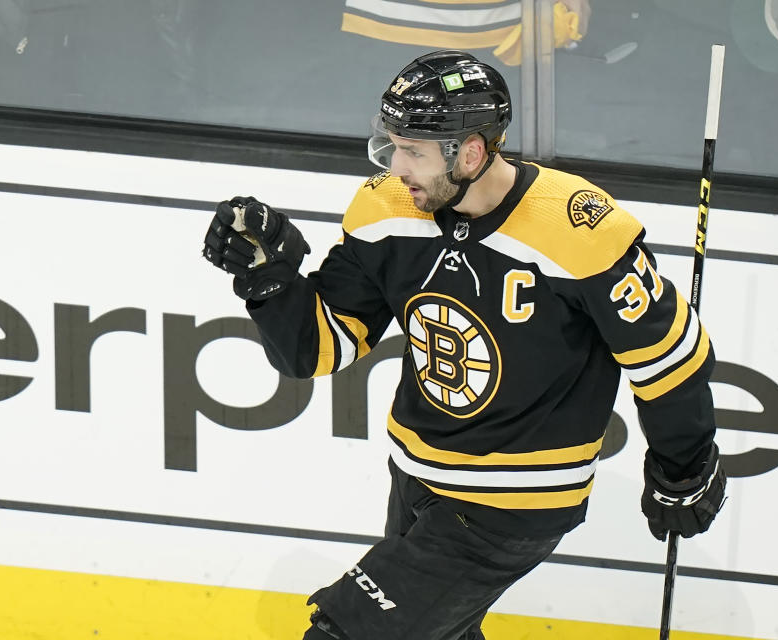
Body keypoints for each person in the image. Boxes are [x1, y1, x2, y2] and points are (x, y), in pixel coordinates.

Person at [202, 49, 726, 640]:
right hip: (416, 479)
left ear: (472, 152)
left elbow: (668, 361)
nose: (397, 166)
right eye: (392, 144)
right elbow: (319, 350)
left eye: (414, 152)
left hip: (515, 502)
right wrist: (271, 284)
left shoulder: (580, 229)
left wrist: (684, 469)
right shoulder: (388, 208)